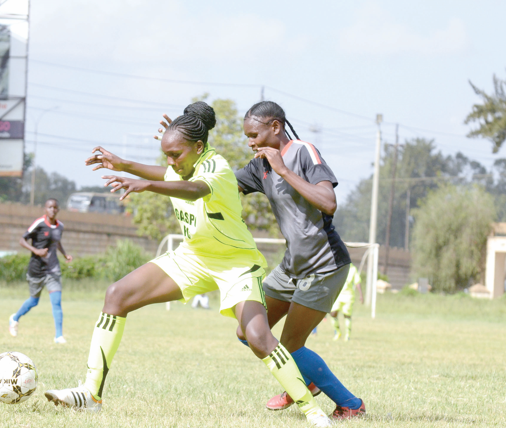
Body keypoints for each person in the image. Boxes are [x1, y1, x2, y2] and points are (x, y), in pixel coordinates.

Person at [43, 102, 333, 427]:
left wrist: (147, 186)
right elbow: (166, 173)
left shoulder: (217, 168)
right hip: (193, 257)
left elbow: (194, 190)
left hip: (235, 264)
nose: (170, 163)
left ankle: (311, 410)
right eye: (167, 155)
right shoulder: (184, 164)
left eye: (176, 155)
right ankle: (90, 394)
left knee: (257, 336)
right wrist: (123, 164)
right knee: (116, 295)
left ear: (198, 147)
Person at [155, 101, 365, 420]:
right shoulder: (259, 165)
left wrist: (282, 170)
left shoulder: (302, 152)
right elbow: (213, 185)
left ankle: (351, 404)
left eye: (254, 134)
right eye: (247, 136)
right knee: (248, 331)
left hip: (324, 265)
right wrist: (186, 147)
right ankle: (305, 382)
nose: (250, 141)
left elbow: (329, 202)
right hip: (291, 266)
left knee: (291, 344)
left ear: (275, 127)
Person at [8, 198, 73, 344]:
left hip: (53, 269)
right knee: (33, 301)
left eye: (55, 207)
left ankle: (58, 336)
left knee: (56, 302)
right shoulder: (39, 224)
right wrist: (36, 251)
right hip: (36, 269)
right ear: (45, 209)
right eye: (50, 207)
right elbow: (22, 240)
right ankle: (15, 318)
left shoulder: (60, 226)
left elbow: (57, 242)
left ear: (58, 210)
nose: (52, 210)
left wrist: (65, 254)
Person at [330, 263, 363, 341]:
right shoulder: (338, 267)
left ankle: (347, 335)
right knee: (333, 313)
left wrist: (361, 295)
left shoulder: (353, 269)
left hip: (348, 296)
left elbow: (357, 282)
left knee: (347, 315)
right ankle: (338, 332)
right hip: (338, 295)